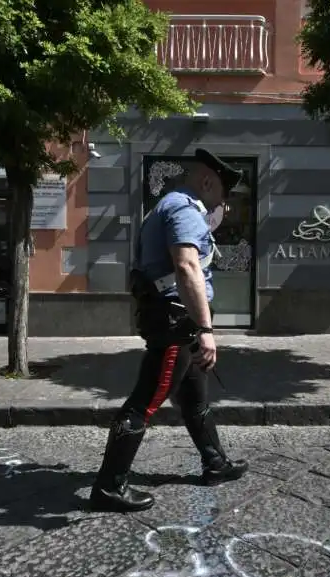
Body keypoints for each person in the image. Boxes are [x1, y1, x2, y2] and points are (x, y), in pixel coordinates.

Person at [89, 148, 249, 512]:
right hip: (176, 324)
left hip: (175, 320)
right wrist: (206, 329)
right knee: (144, 402)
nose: (221, 205)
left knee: (194, 397)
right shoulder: (185, 210)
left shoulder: (167, 206)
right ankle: (108, 487)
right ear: (208, 182)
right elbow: (187, 267)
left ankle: (216, 464)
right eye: (222, 195)